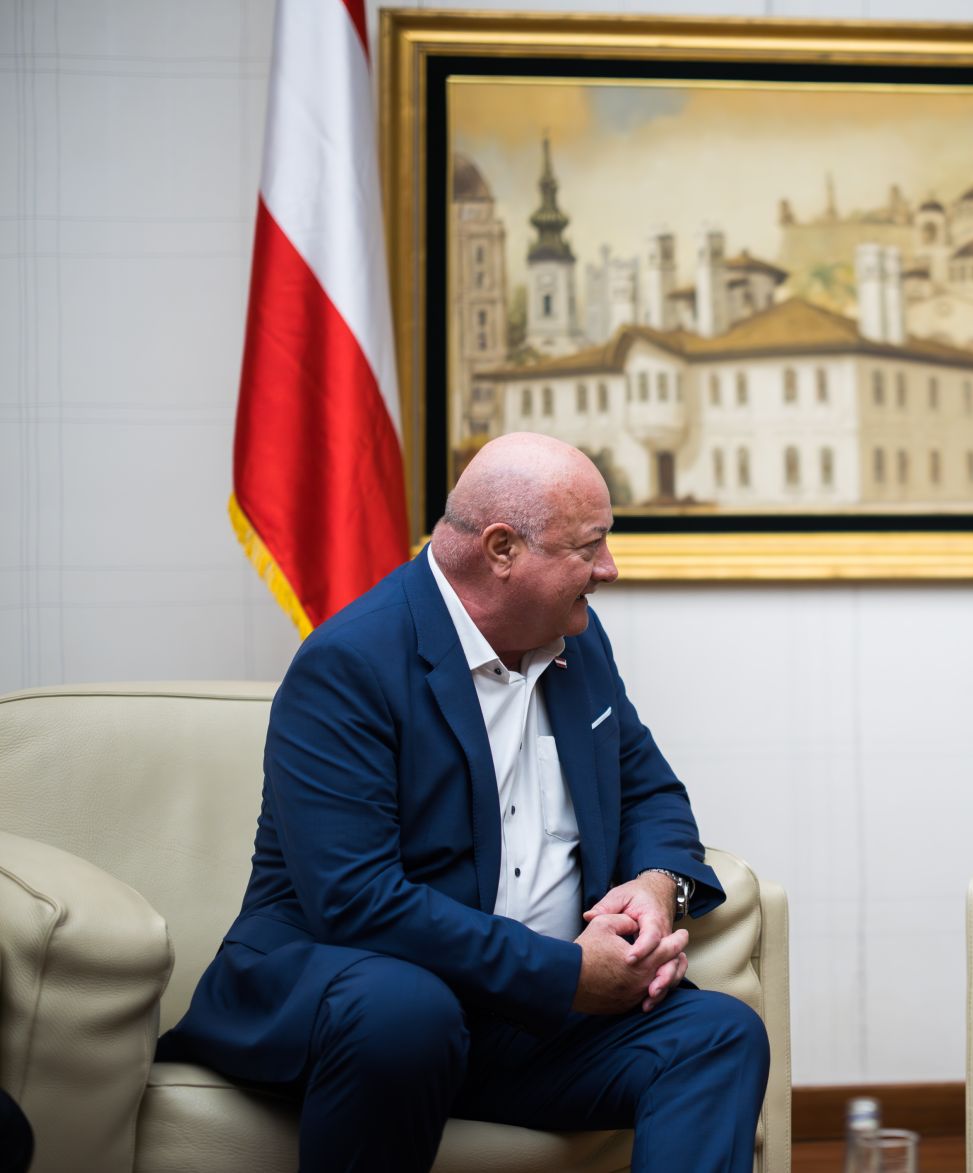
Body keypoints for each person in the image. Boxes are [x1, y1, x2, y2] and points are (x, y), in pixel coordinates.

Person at [160, 432, 768, 1172]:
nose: (609, 568)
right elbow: (355, 899)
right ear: (502, 548)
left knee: (719, 1034)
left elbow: (649, 791)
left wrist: (656, 886)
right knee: (408, 1012)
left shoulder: (575, 640)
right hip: (364, 999)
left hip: (524, 1023)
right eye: (590, 546)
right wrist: (565, 975)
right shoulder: (348, 664)